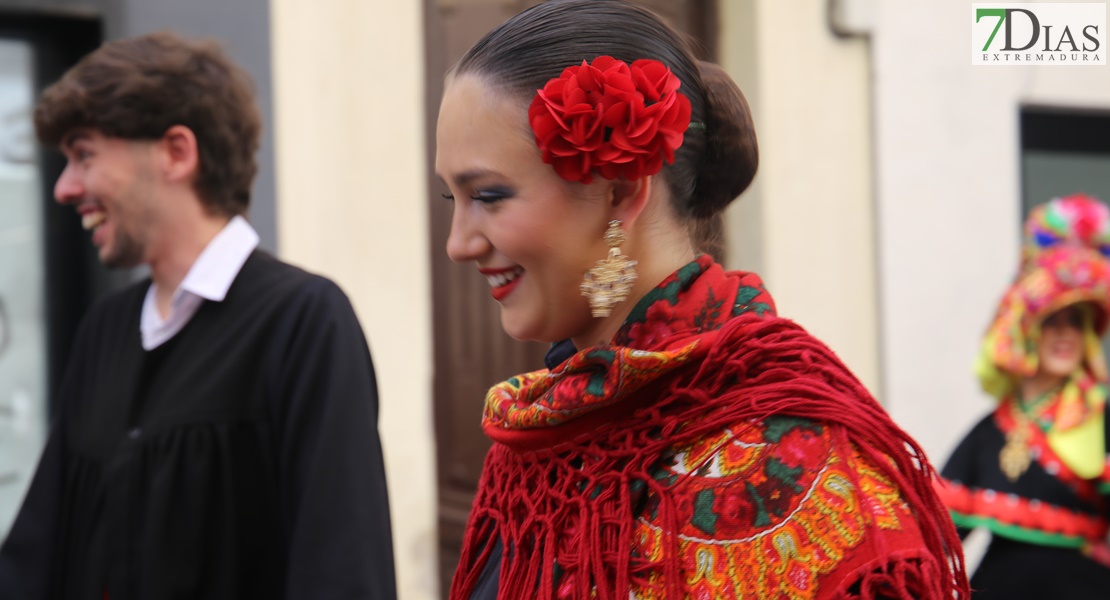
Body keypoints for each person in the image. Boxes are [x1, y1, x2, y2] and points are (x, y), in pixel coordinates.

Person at [434, 1, 969, 598]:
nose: (458, 243)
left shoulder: (800, 455)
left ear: (619, 190)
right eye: (451, 200)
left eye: (488, 195)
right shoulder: (535, 445)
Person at [0, 32, 396, 599]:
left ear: (176, 152)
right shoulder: (106, 329)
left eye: (84, 154)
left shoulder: (302, 322)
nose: (65, 188)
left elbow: (341, 568)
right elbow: (37, 553)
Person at [936, 194, 1110, 598]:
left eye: (1077, 322)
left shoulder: (1100, 417)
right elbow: (941, 532)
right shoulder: (990, 430)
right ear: (1026, 329)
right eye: (1053, 320)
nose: (1065, 334)